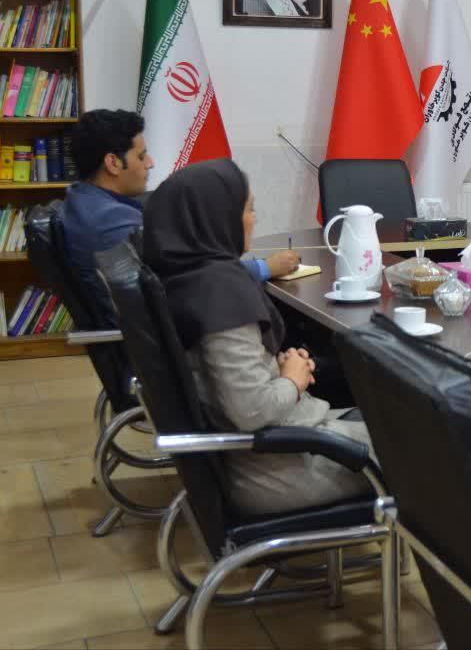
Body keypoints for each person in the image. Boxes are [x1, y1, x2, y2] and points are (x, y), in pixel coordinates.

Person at [142, 159, 373, 514]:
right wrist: (292, 380)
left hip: (276, 452)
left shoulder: (185, 278)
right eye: (248, 209)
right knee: (431, 446)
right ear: (216, 219)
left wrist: (278, 369)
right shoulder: (218, 295)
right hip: (282, 468)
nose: (254, 219)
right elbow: (253, 410)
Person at [62, 110, 300, 312]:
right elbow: (187, 279)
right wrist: (266, 267)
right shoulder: (112, 221)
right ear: (113, 163)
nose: (151, 163)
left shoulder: (80, 199)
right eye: (141, 156)